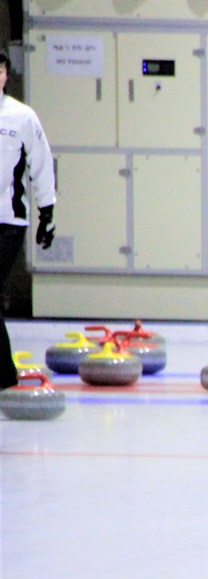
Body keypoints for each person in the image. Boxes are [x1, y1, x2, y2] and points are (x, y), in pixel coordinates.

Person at [0, 50, 56, 389]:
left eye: (1, 69)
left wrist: (46, 213)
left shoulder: (22, 117)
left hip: (9, 222)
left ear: (6, 74)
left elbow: (41, 164)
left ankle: (4, 376)